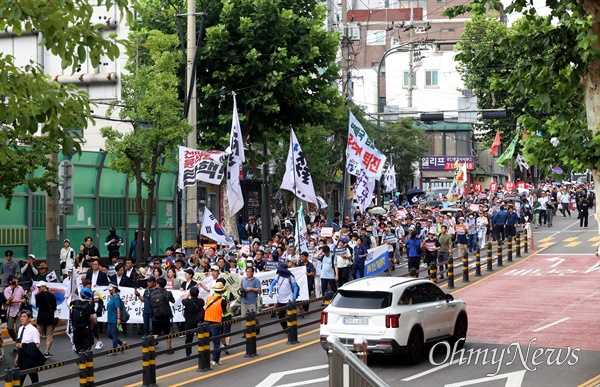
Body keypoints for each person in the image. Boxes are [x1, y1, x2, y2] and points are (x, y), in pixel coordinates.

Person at [15, 310, 45, 385]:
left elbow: (37, 345)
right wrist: (17, 356)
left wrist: (24, 345)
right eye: (21, 317)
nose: (22, 318)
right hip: (21, 356)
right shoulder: (20, 329)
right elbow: (19, 343)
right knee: (19, 379)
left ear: (29, 319)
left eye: (24, 317)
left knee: (34, 378)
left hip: (29, 358)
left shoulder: (33, 330)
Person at [269, 263, 299, 330]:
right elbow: (272, 284)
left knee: (291, 315)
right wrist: (270, 292)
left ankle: (292, 329)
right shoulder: (278, 276)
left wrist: (294, 298)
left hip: (289, 299)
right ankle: (285, 329)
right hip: (280, 299)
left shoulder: (290, 277)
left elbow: (295, 287)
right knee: (281, 316)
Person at [205, 282, 228, 366]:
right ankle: (215, 360)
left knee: (205, 341)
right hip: (216, 322)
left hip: (206, 321)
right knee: (216, 342)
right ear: (222, 291)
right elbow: (224, 313)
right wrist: (227, 307)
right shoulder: (222, 301)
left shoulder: (209, 298)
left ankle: (204, 359)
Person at [151, 277, 175, 354]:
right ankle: (168, 348)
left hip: (155, 316)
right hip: (165, 315)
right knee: (167, 333)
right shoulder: (168, 293)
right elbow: (173, 301)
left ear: (158, 284)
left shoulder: (153, 293)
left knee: (155, 333)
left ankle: (152, 350)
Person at [34, 281, 57, 358]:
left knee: (38, 335)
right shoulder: (52, 296)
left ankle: (35, 350)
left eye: (39, 287)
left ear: (44, 286)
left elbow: (37, 305)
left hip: (41, 317)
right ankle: (47, 352)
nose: (38, 288)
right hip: (50, 317)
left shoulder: (38, 296)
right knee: (49, 335)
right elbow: (54, 307)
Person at [70, 287, 97, 353]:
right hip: (85, 326)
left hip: (76, 326)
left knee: (78, 343)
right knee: (86, 343)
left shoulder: (74, 303)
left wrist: (70, 296)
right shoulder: (89, 305)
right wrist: (93, 324)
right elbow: (94, 317)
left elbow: (68, 304)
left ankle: (79, 355)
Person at [181, 287, 205, 356]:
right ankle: (202, 350)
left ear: (190, 294)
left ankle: (188, 353)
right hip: (199, 321)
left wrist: (188, 293)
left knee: (189, 338)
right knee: (201, 337)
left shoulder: (187, 302)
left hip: (189, 322)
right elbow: (200, 298)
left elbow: (183, 299)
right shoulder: (201, 301)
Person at [4, 275, 26, 342]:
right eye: (15, 279)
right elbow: (11, 301)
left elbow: (23, 295)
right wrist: (20, 301)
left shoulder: (20, 288)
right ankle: (15, 339)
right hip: (11, 311)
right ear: (10, 281)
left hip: (19, 311)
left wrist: (25, 297)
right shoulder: (7, 290)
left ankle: (19, 342)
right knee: (10, 328)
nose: (17, 281)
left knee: (19, 328)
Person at [106, 283, 126, 353]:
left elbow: (118, 308)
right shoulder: (112, 297)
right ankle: (121, 343)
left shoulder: (117, 297)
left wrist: (118, 318)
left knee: (114, 334)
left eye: (110, 289)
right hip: (110, 319)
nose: (109, 291)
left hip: (114, 318)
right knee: (109, 334)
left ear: (114, 289)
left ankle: (114, 349)